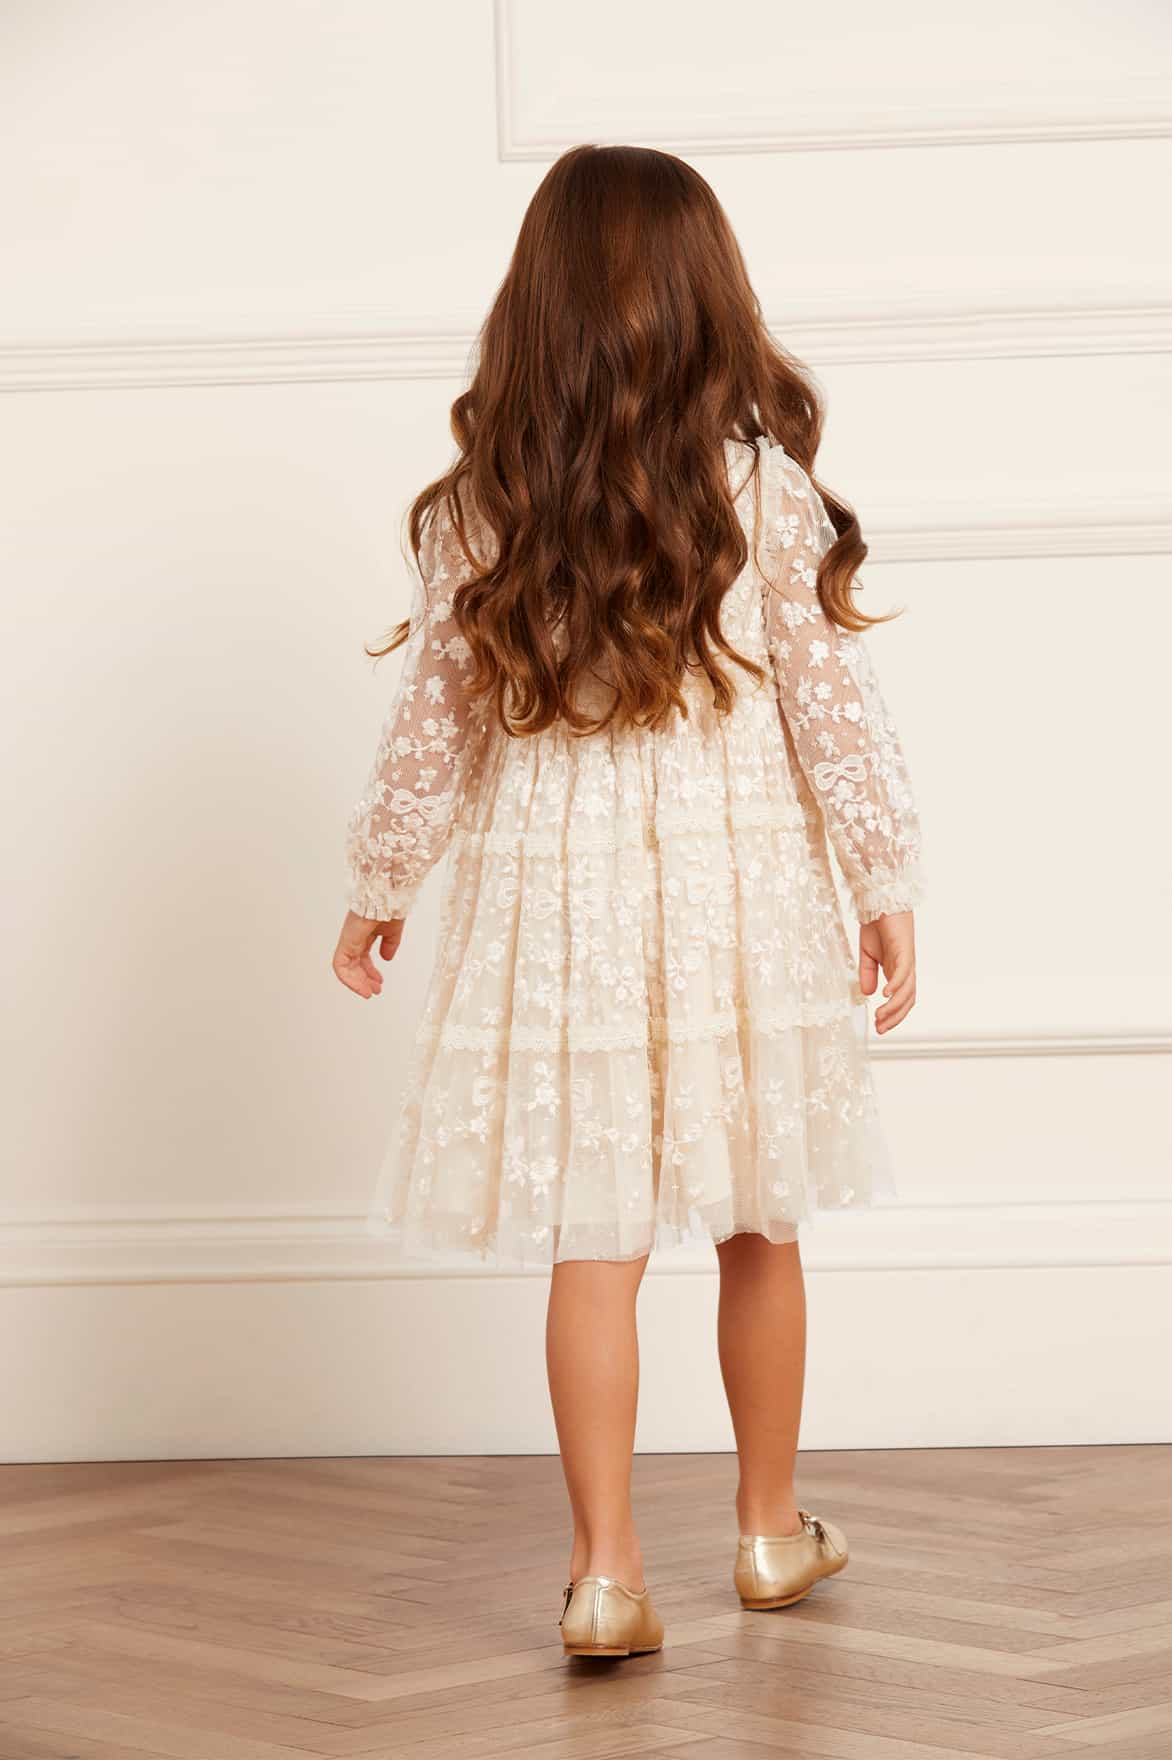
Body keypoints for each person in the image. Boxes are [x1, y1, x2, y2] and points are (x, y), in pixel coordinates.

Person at [332, 143, 922, 1659]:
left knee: (592, 1237)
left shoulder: (487, 508)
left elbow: (437, 726)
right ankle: (769, 1531)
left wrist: (380, 884)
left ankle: (606, 1573)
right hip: (739, 893)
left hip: (564, 900)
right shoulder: (761, 491)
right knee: (758, 1220)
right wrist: (882, 881)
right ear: (711, 298)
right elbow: (832, 713)